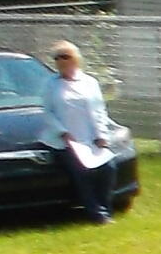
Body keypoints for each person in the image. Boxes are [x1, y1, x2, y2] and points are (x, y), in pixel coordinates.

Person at [46, 40, 125, 223]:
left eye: (64, 56)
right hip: (66, 141)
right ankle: (96, 214)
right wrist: (62, 132)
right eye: (57, 58)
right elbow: (47, 112)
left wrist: (101, 136)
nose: (60, 61)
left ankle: (104, 206)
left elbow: (99, 111)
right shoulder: (51, 84)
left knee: (108, 168)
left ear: (74, 59)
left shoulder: (89, 82)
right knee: (81, 172)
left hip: (90, 138)